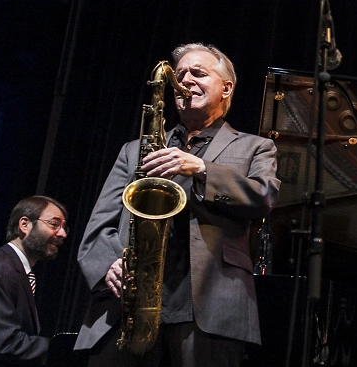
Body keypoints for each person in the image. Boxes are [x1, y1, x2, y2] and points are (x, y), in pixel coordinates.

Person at [74, 43, 280, 366]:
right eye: (180, 75)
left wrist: (202, 169)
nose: (185, 81)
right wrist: (109, 265)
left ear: (227, 88)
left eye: (198, 73)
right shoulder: (134, 150)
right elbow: (98, 226)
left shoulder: (257, 147)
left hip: (208, 312)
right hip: (127, 306)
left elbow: (264, 196)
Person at [0, 195, 69, 366]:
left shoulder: (15, 270)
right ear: (24, 225)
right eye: (54, 224)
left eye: (64, 227)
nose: (63, 234)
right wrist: (63, 349)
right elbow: (6, 342)